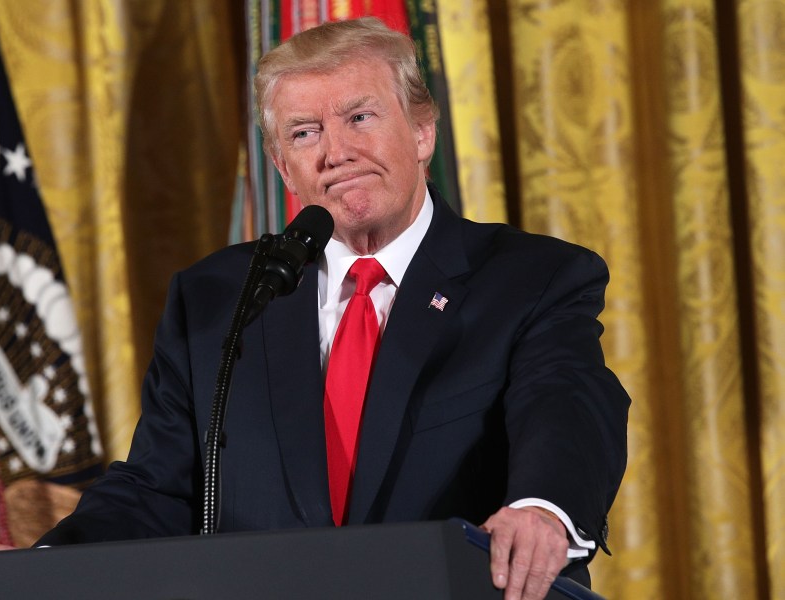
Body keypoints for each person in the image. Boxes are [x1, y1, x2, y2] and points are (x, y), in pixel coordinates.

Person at [37, 17, 629, 600]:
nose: (335, 152)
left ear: (422, 131)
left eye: (360, 118)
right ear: (282, 167)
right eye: (304, 133)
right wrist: (39, 568)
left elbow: (566, 403)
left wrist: (542, 509)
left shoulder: (531, 277)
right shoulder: (220, 296)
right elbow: (155, 487)